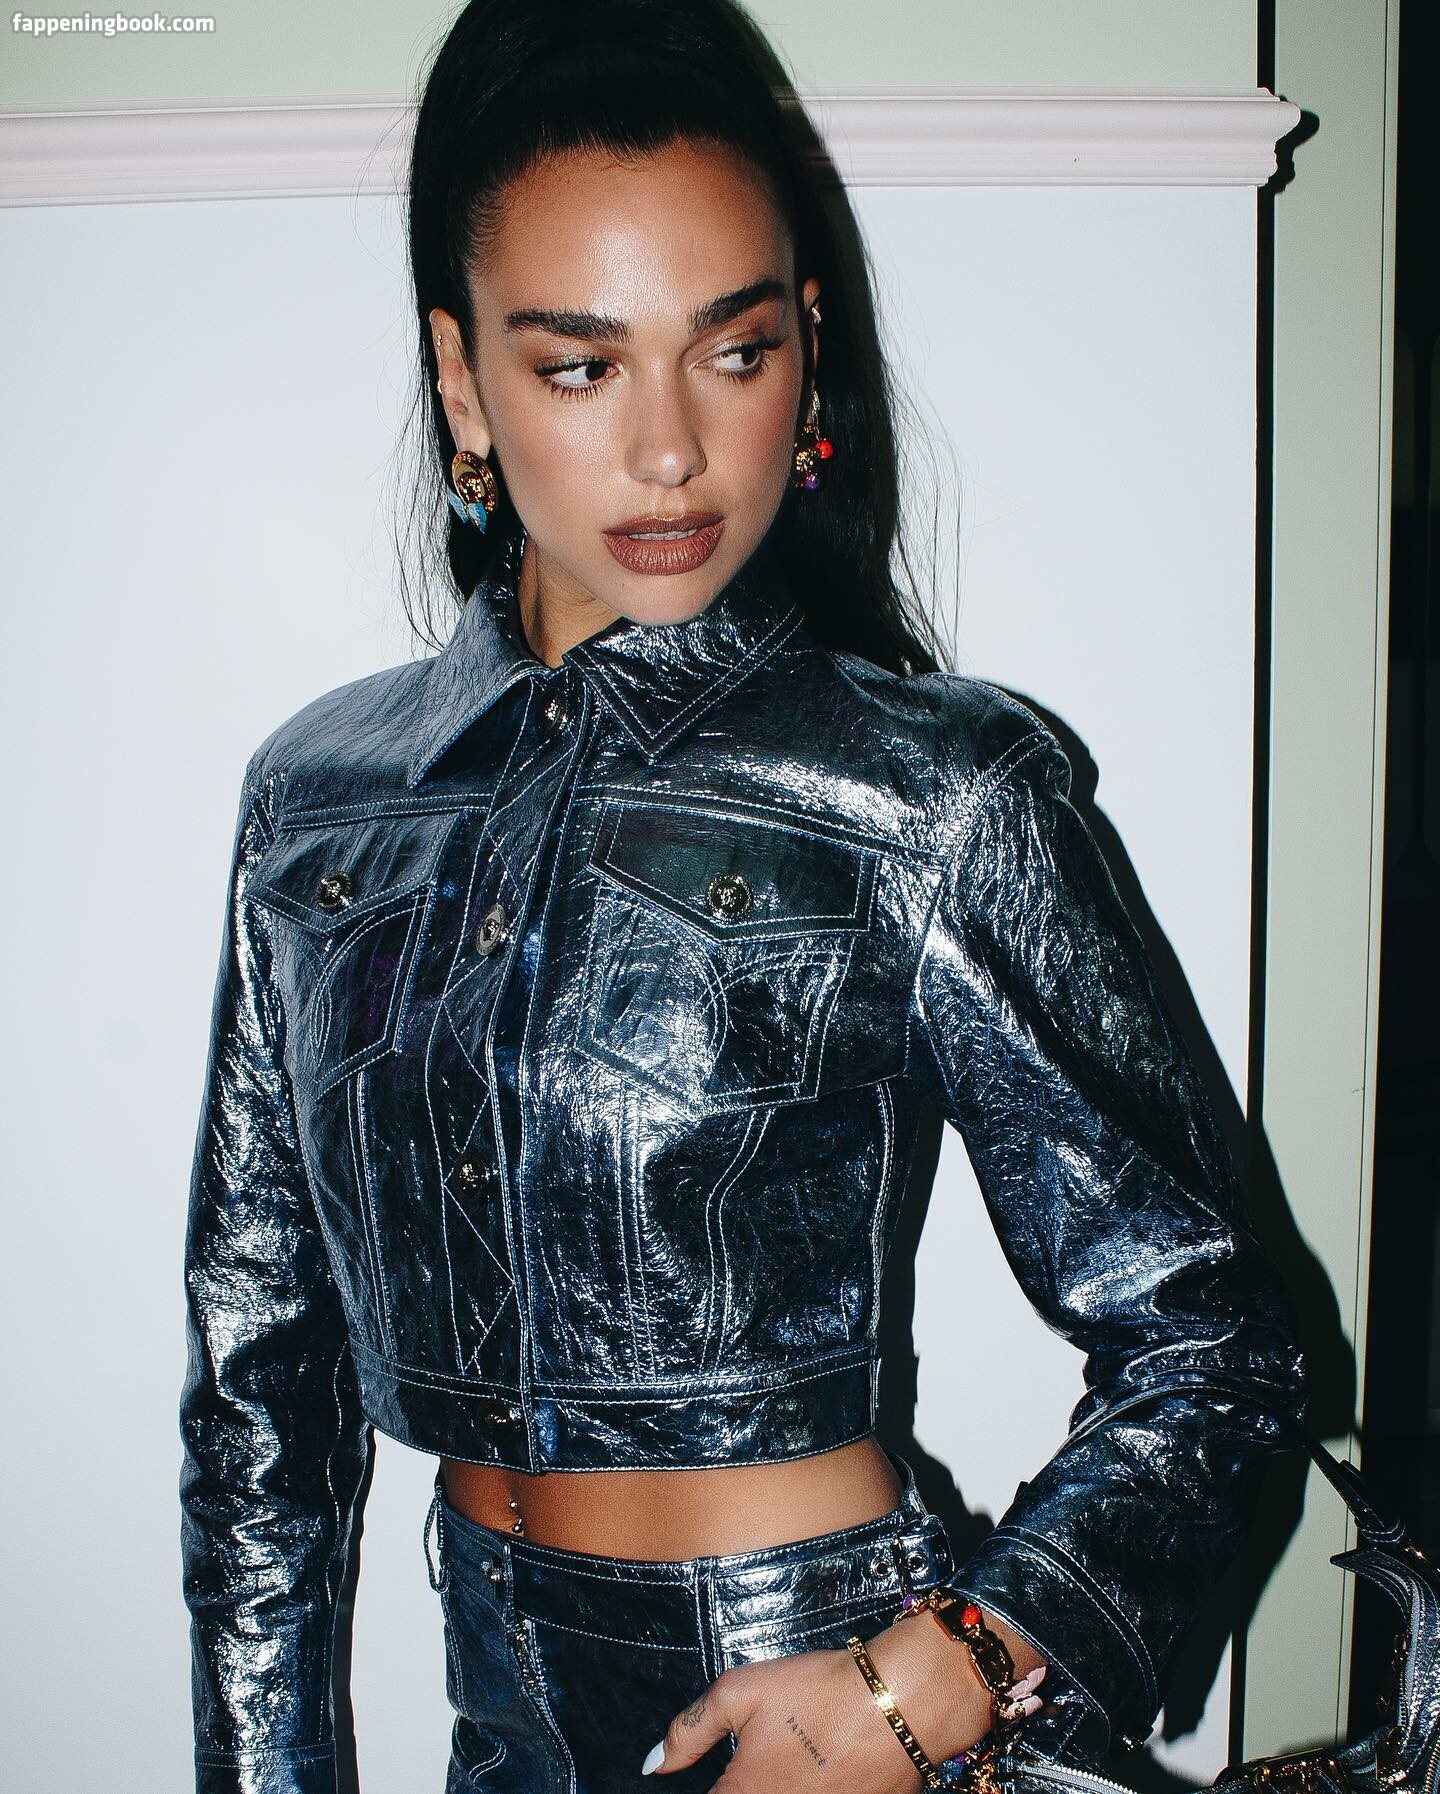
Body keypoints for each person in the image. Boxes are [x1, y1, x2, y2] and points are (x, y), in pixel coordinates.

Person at [177, 1, 1307, 1790]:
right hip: (501, 1715)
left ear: (808, 353)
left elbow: (1222, 1341)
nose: (673, 449)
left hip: (825, 1698)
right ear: (463, 384)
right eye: (579, 366)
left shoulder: (937, 792)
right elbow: (260, 1399)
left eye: (736, 348)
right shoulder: (320, 802)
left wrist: (922, 1689)